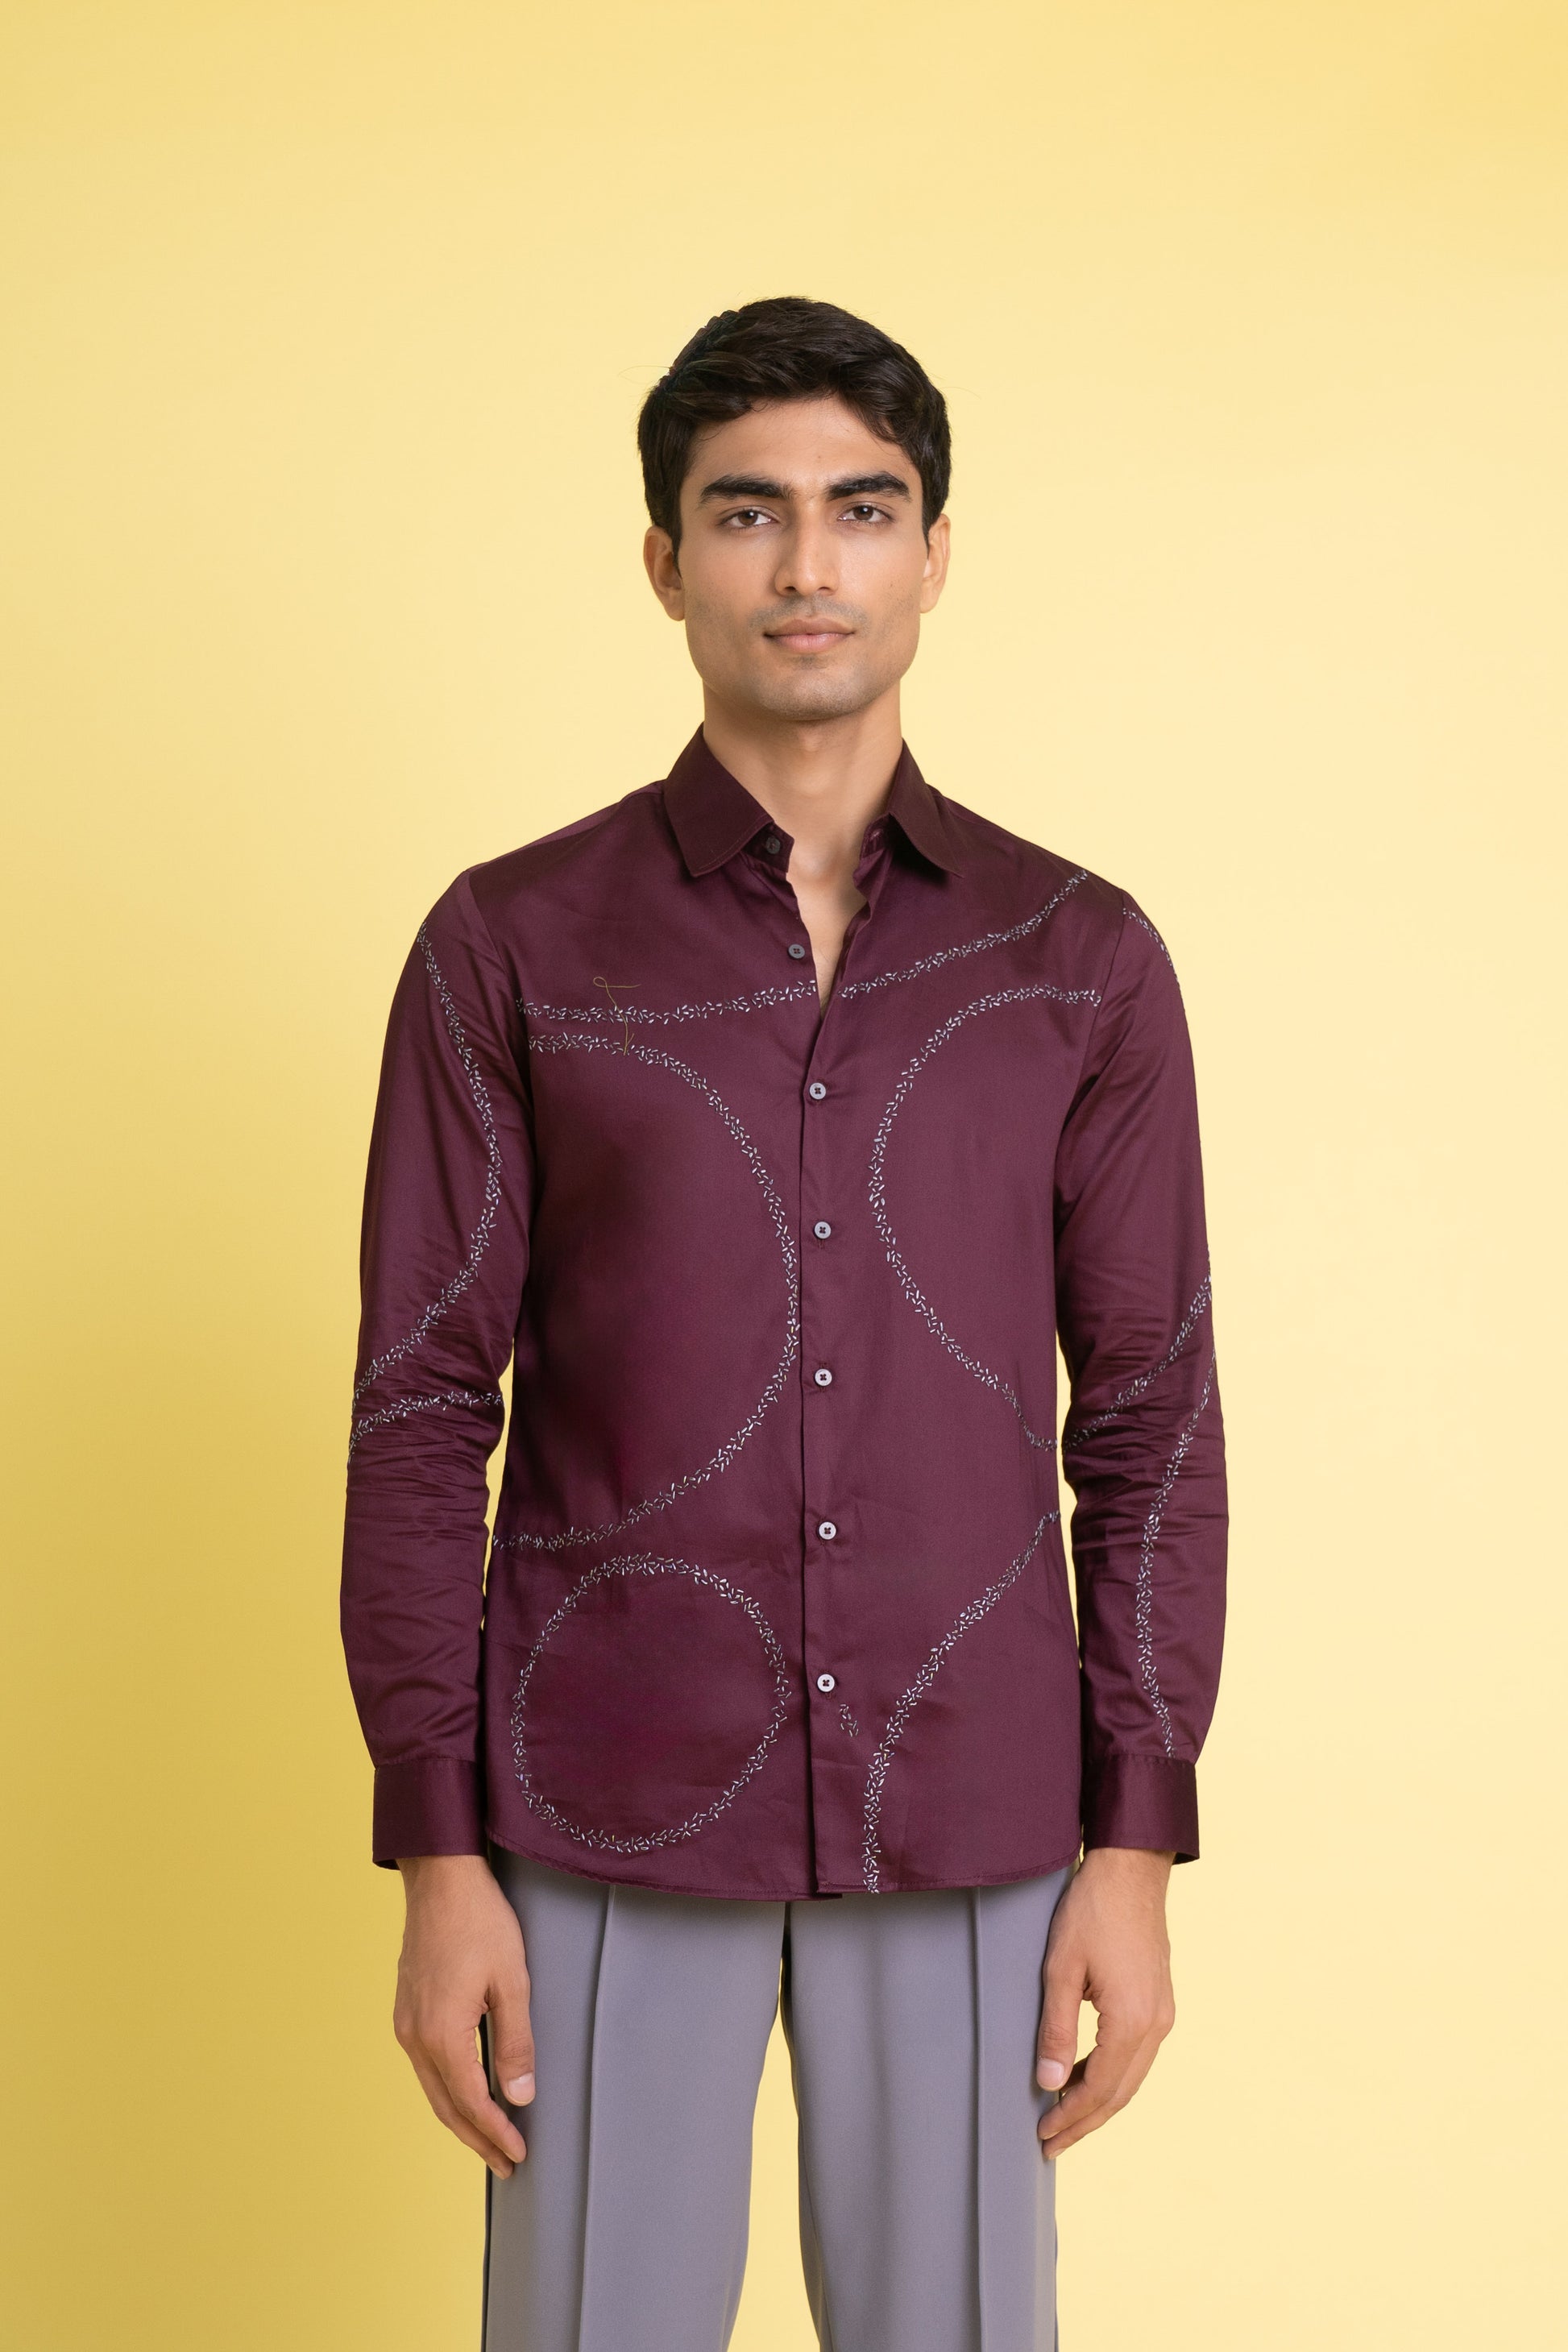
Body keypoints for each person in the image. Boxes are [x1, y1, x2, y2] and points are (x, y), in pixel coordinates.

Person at [341, 296, 1227, 2352]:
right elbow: (421, 1407)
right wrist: (436, 1854)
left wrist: (1136, 1841)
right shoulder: (509, 942)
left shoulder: (1078, 959)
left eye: (862, 508)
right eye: (747, 512)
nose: (807, 563)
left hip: (971, 1799)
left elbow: (1150, 1417)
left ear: (935, 551)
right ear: (666, 561)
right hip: (596, 1794)